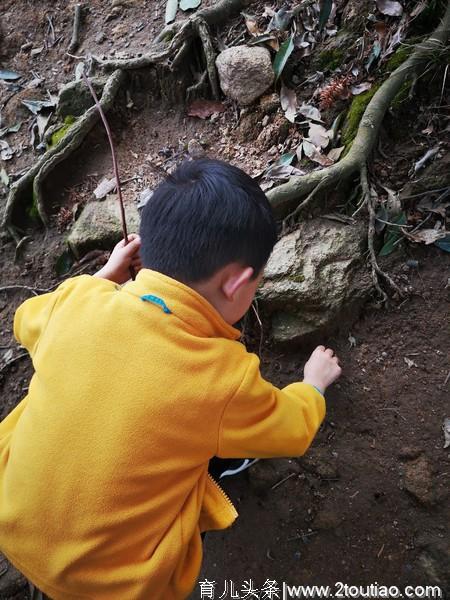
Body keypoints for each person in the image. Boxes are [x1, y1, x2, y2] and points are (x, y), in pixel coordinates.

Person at [0, 158, 341, 600]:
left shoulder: (78, 301)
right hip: (118, 586)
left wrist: (102, 278)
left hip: (12, 521)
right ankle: (228, 463)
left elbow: (27, 317)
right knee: (209, 433)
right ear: (237, 283)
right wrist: (312, 385)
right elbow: (291, 429)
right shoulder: (224, 379)